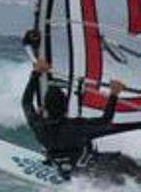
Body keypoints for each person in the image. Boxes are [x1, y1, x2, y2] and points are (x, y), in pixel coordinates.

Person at [22, 51, 141, 184]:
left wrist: (36, 73)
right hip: (90, 173)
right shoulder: (76, 127)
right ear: (66, 109)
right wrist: (114, 94)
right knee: (122, 160)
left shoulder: (38, 125)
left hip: (65, 174)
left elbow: (26, 102)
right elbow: (105, 121)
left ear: (43, 109)